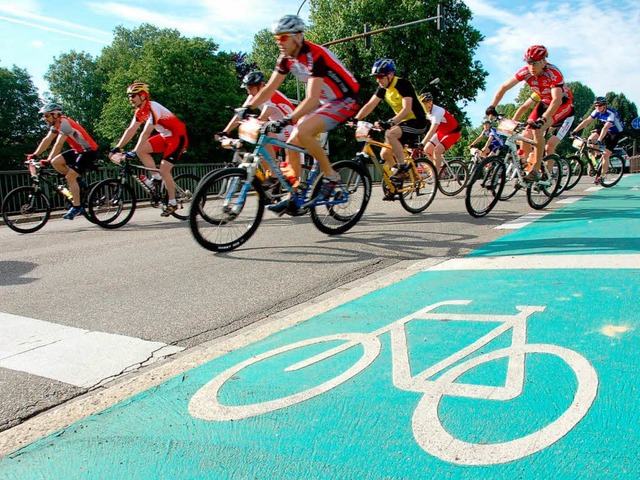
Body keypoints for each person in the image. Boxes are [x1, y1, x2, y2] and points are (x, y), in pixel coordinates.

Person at [237, 14, 360, 214]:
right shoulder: (286, 59)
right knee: (291, 142)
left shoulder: (315, 56)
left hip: (344, 100)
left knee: (302, 130)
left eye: (283, 37)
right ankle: (294, 193)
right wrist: (248, 107)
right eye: (276, 38)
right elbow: (268, 90)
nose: (279, 43)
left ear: (297, 36)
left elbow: (310, 98)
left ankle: (331, 176)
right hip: (323, 102)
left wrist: (287, 119)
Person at [487, 45, 573, 182]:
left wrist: (543, 119)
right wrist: (492, 106)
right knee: (525, 133)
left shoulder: (553, 72)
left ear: (544, 61)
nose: (532, 67)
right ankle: (527, 166)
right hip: (544, 102)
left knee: (538, 131)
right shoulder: (525, 72)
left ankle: (536, 170)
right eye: (529, 63)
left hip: (561, 104)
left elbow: (556, 100)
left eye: (535, 63)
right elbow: (504, 87)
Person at [109, 82, 188, 217]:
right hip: (164, 136)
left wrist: (133, 151)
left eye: (133, 96)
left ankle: (173, 202)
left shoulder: (153, 108)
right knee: (142, 150)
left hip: (177, 136)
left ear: (143, 96)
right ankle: (156, 178)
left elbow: (145, 133)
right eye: (129, 96)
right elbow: (131, 130)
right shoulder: (140, 112)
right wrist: (117, 147)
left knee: (164, 169)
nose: (130, 99)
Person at [218, 70, 298, 188]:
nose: (248, 90)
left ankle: (274, 176)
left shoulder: (270, 94)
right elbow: (240, 114)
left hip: (291, 126)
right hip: (277, 126)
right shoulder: (253, 96)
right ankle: (274, 180)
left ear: (260, 85)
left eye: (250, 87)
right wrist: (225, 131)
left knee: (264, 134)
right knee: (259, 150)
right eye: (246, 87)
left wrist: (252, 121)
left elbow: (262, 118)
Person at [353, 58, 427, 181]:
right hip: (403, 122)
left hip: (418, 121)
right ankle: (397, 180)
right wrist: (355, 119)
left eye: (380, 76)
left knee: (390, 133)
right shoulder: (382, 89)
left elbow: (407, 109)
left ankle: (403, 169)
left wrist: (390, 122)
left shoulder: (403, 84)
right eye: (376, 77)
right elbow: (369, 105)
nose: (378, 80)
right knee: (385, 154)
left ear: (391, 75)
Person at [28, 103, 98, 220]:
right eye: (44, 116)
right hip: (77, 150)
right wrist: (35, 154)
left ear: (55, 115)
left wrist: (48, 160)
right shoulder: (56, 125)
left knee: (69, 177)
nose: (44, 118)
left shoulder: (65, 123)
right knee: (56, 162)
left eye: (46, 116)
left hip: (88, 151)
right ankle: (78, 181)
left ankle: (77, 206)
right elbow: (47, 140)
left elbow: (58, 144)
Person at [571, 96, 625, 185]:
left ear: (605, 106)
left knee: (606, 154)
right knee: (590, 139)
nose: (597, 108)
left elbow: (605, 128)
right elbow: (586, 121)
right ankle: (596, 156)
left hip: (615, 133)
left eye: (599, 106)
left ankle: (602, 176)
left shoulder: (611, 113)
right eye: (596, 106)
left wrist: (599, 140)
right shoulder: (596, 111)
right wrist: (575, 131)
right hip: (606, 130)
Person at [420, 93, 461, 171]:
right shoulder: (426, 112)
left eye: (424, 105)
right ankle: (435, 170)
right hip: (441, 133)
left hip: (453, 133)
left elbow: (432, 130)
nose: (422, 107)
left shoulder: (438, 111)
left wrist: (422, 143)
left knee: (437, 150)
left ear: (430, 103)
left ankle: (437, 174)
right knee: (427, 149)